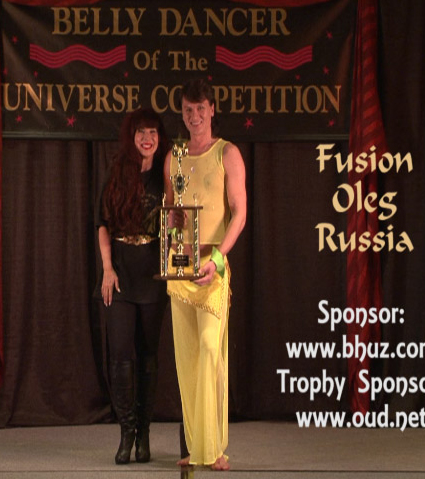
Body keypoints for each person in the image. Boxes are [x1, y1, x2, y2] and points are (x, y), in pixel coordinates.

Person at [164, 79, 247, 471]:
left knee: (211, 350)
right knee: (188, 359)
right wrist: (171, 233)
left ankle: (215, 448)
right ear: (182, 113)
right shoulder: (175, 156)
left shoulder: (227, 152)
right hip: (181, 268)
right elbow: (170, 210)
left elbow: (239, 212)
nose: (194, 116)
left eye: (200, 109)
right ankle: (197, 447)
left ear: (212, 109)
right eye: (187, 110)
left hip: (213, 266)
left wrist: (218, 257)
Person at [95, 108, 169, 465]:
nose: (147, 138)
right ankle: (125, 433)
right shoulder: (117, 172)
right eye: (141, 132)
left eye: (153, 132)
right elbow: (103, 223)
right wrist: (107, 269)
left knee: (148, 357)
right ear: (132, 136)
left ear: (159, 138)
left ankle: (144, 434)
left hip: (153, 275)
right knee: (121, 355)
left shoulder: (167, 173)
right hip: (121, 274)